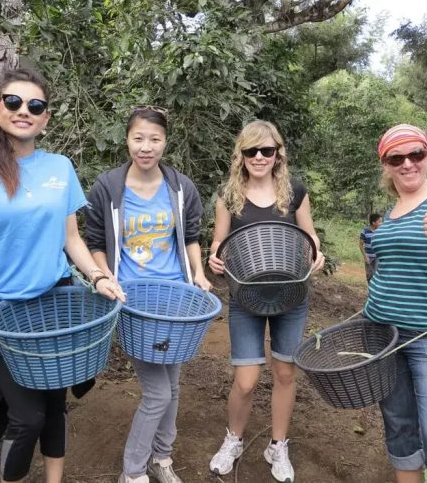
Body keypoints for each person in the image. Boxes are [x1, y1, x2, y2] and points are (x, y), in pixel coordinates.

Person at [0, 68, 123, 483]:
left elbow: (72, 238)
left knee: (54, 405)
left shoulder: (59, 168)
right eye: (12, 102)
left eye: (35, 106)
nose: (23, 111)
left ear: (45, 118)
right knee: (26, 417)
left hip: (56, 302)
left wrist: (99, 277)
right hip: (5, 312)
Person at [85, 106, 212, 483]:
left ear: (165, 142)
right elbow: (95, 241)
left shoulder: (180, 187)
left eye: (154, 139)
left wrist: (199, 275)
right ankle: (133, 471)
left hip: (174, 297)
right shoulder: (108, 187)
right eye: (138, 138)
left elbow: (190, 237)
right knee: (158, 392)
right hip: (133, 301)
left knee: (173, 384)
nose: (146, 147)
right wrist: (105, 276)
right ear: (127, 139)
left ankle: (162, 458)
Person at [207, 120, 325, 483]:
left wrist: (317, 253)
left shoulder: (295, 191)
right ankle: (234, 439)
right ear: (240, 155)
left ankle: (277, 444)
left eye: (267, 150)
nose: (259, 157)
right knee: (245, 380)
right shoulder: (229, 195)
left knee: (285, 373)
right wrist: (214, 257)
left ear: (278, 154)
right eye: (251, 151)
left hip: (292, 292)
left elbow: (309, 237)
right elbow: (218, 243)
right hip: (246, 294)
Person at [364, 124, 427, 482]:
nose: (407, 164)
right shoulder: (391, 212)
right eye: (396, 157)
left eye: (415, 154)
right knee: (399, 424)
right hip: (382, 335)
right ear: (385, 165)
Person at [359, 212, 382, 282]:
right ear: (373, 222)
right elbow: (360, 244)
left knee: (376, 276)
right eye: (379, 221)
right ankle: (370, 290)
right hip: (368, 257)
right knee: (369, 275)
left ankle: (375, 291)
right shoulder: (365, 231)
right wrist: (365, 256)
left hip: (377, 257)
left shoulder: (380, 231)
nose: (381, 223)